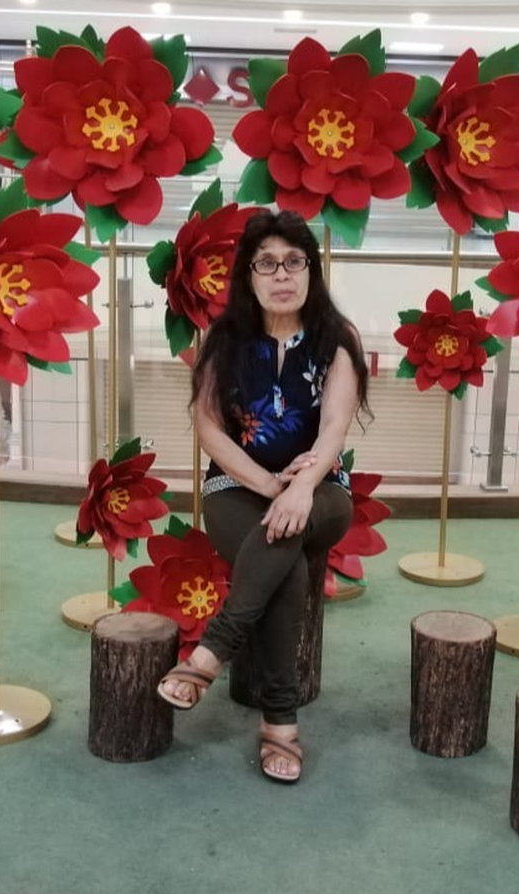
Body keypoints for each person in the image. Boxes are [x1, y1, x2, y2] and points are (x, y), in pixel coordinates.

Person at [157, 209, 369, 784]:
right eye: (267, 264)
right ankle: (281, 722)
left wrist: (300, 487)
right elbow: (209, 429)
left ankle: (210, 653)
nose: (282, 275)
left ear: (311, 271)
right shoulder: (224, 340)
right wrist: (270, 486)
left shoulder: (337, 339)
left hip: (320, 489)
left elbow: (334, 429)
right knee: (286, 562)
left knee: (291, 526)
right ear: (248, 276)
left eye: (294, 262)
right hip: (237, 487)